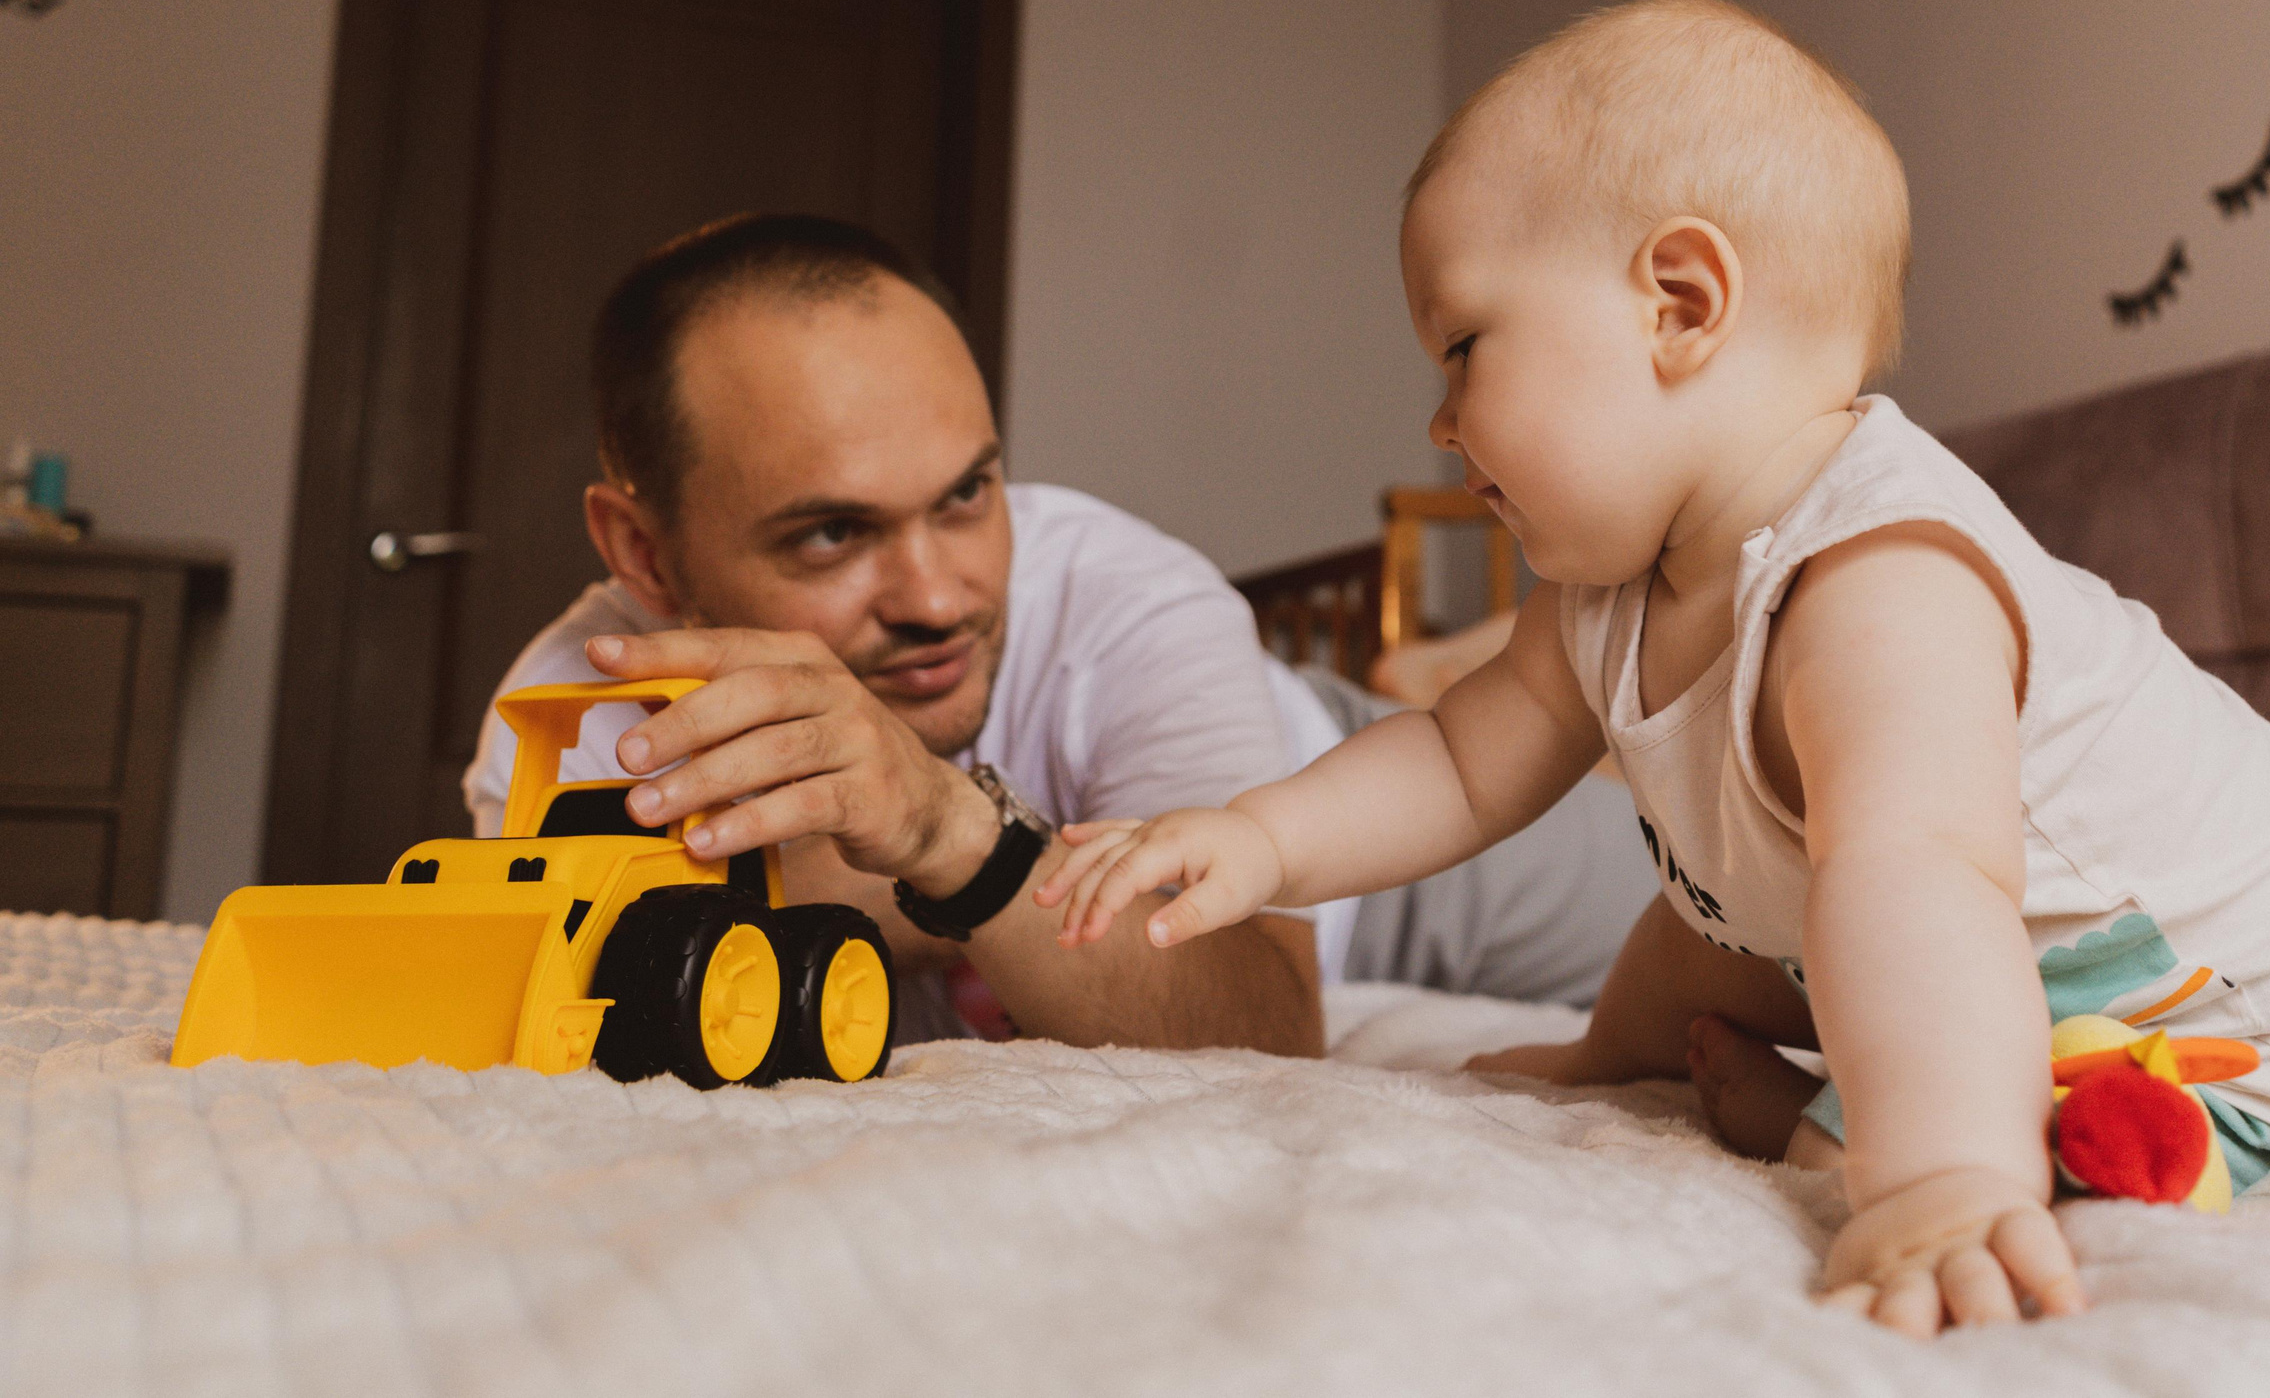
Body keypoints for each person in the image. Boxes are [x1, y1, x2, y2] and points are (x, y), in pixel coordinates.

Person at [1037, 0, 2270, 1335]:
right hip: (1894, 926)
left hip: (2199, 982)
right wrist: (1262, 839)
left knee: (1901, 1087)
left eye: (1461, 347)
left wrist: (1938, 1182)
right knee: (1704, 917)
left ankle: (1869, 1124)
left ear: (1679, 303)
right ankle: (1627, 1053)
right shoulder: (1603, 593)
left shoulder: (1876, 581)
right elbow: (1458, 759)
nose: (1441, 423)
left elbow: (1925, 882)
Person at [464, 214, 1652, 1052]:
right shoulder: (567, 729)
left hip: (1375, 828)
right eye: (831, 533)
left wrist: (943, 834)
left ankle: (1517, 686)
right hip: (1228, 808)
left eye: (965, 494)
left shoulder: (1129, 599)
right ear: (644, 554)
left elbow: (1263, 1025)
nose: (936, 597)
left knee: (1707, 880)